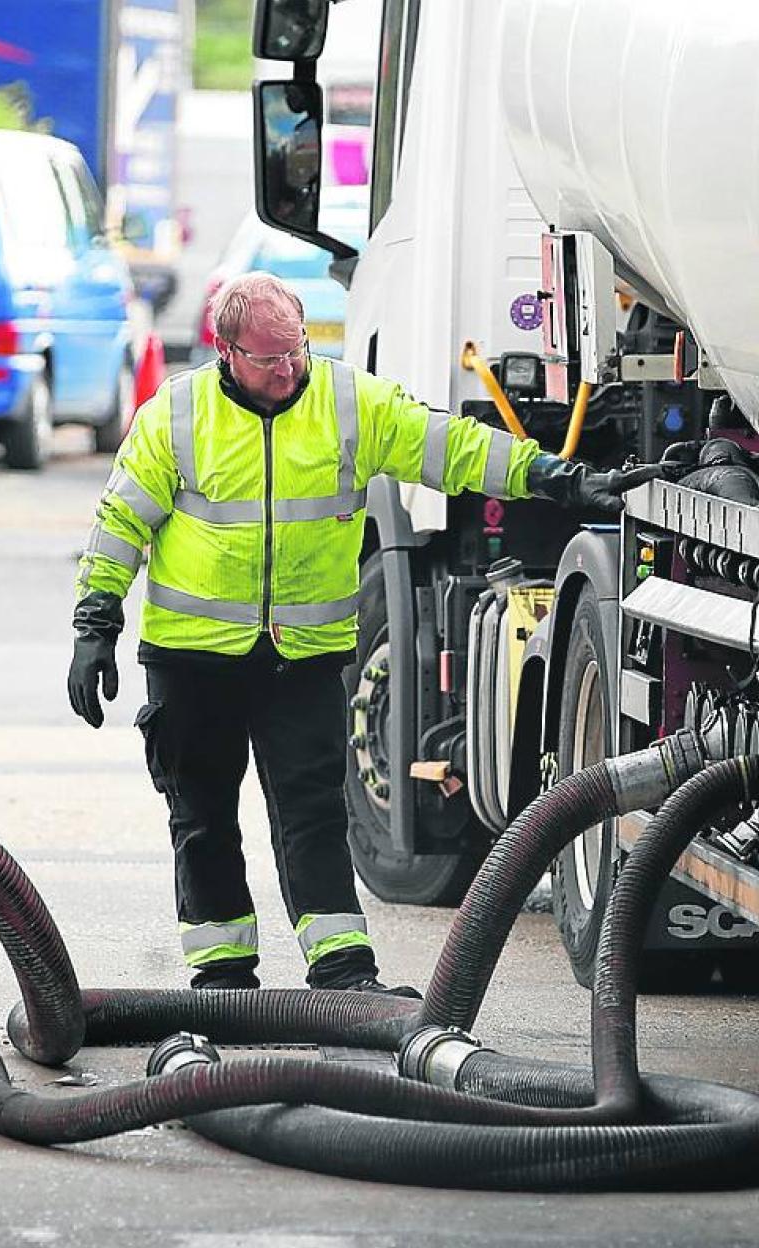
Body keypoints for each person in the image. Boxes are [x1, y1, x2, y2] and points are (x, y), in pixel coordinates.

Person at [67, 271, 660, 996]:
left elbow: (449, 446)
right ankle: (223, 975)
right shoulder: (176, 418)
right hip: (194, 661)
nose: (289, 367)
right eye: (270, 357)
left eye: (298, 349)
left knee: (315, 815)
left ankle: (344, 972)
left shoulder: (345, 401)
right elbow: (120, 522)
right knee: (202, 817)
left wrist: (557, 480)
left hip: (303, 660)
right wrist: (96, 625)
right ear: (227, 352)